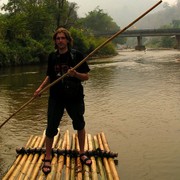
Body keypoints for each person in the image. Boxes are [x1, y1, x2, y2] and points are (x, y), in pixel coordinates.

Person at [34, 27, 92, 175]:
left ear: (67, 40)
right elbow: (49, 76)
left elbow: (86, 77)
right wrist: (40, 89)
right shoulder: (52, 57)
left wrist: (75, 73)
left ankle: (82, 152)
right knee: (51, 127)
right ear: (55, 41)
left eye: (62, 38)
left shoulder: (77, 55)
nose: (60, 41)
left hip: (74, 97)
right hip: (56, 98)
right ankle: (48, 157)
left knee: (79, 124)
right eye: (57, 38)